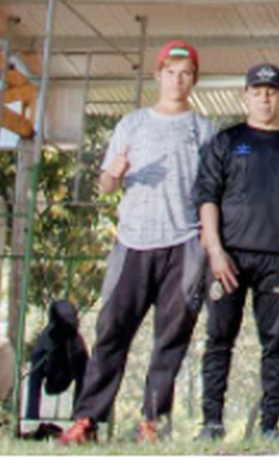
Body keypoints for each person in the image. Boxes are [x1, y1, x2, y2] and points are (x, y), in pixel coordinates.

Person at [60, 40, 217, 445]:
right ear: (158, 75)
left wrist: (209, 247)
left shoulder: (205, 131)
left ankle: (153, 423)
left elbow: (212, 195)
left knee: (171, 338)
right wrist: (112, 173)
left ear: (194, 79)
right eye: (170, 72)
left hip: (184, 245)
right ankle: (86, 420)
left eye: (185, 73)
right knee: (111, 331)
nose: (177, 80)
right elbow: (107, 185)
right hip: (132, 242)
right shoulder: (132, 124)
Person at [194, 63, 279, 441]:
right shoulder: (226, 140)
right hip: (228, 256)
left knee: (275, 342)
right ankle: (211, 423)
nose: (264, 97)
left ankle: (269, 425)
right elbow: (206, 198)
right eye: (257, 90)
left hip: (277, 257)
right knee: (219, 339)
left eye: (271, 90)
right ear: (245, 95)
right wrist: (215, 250)